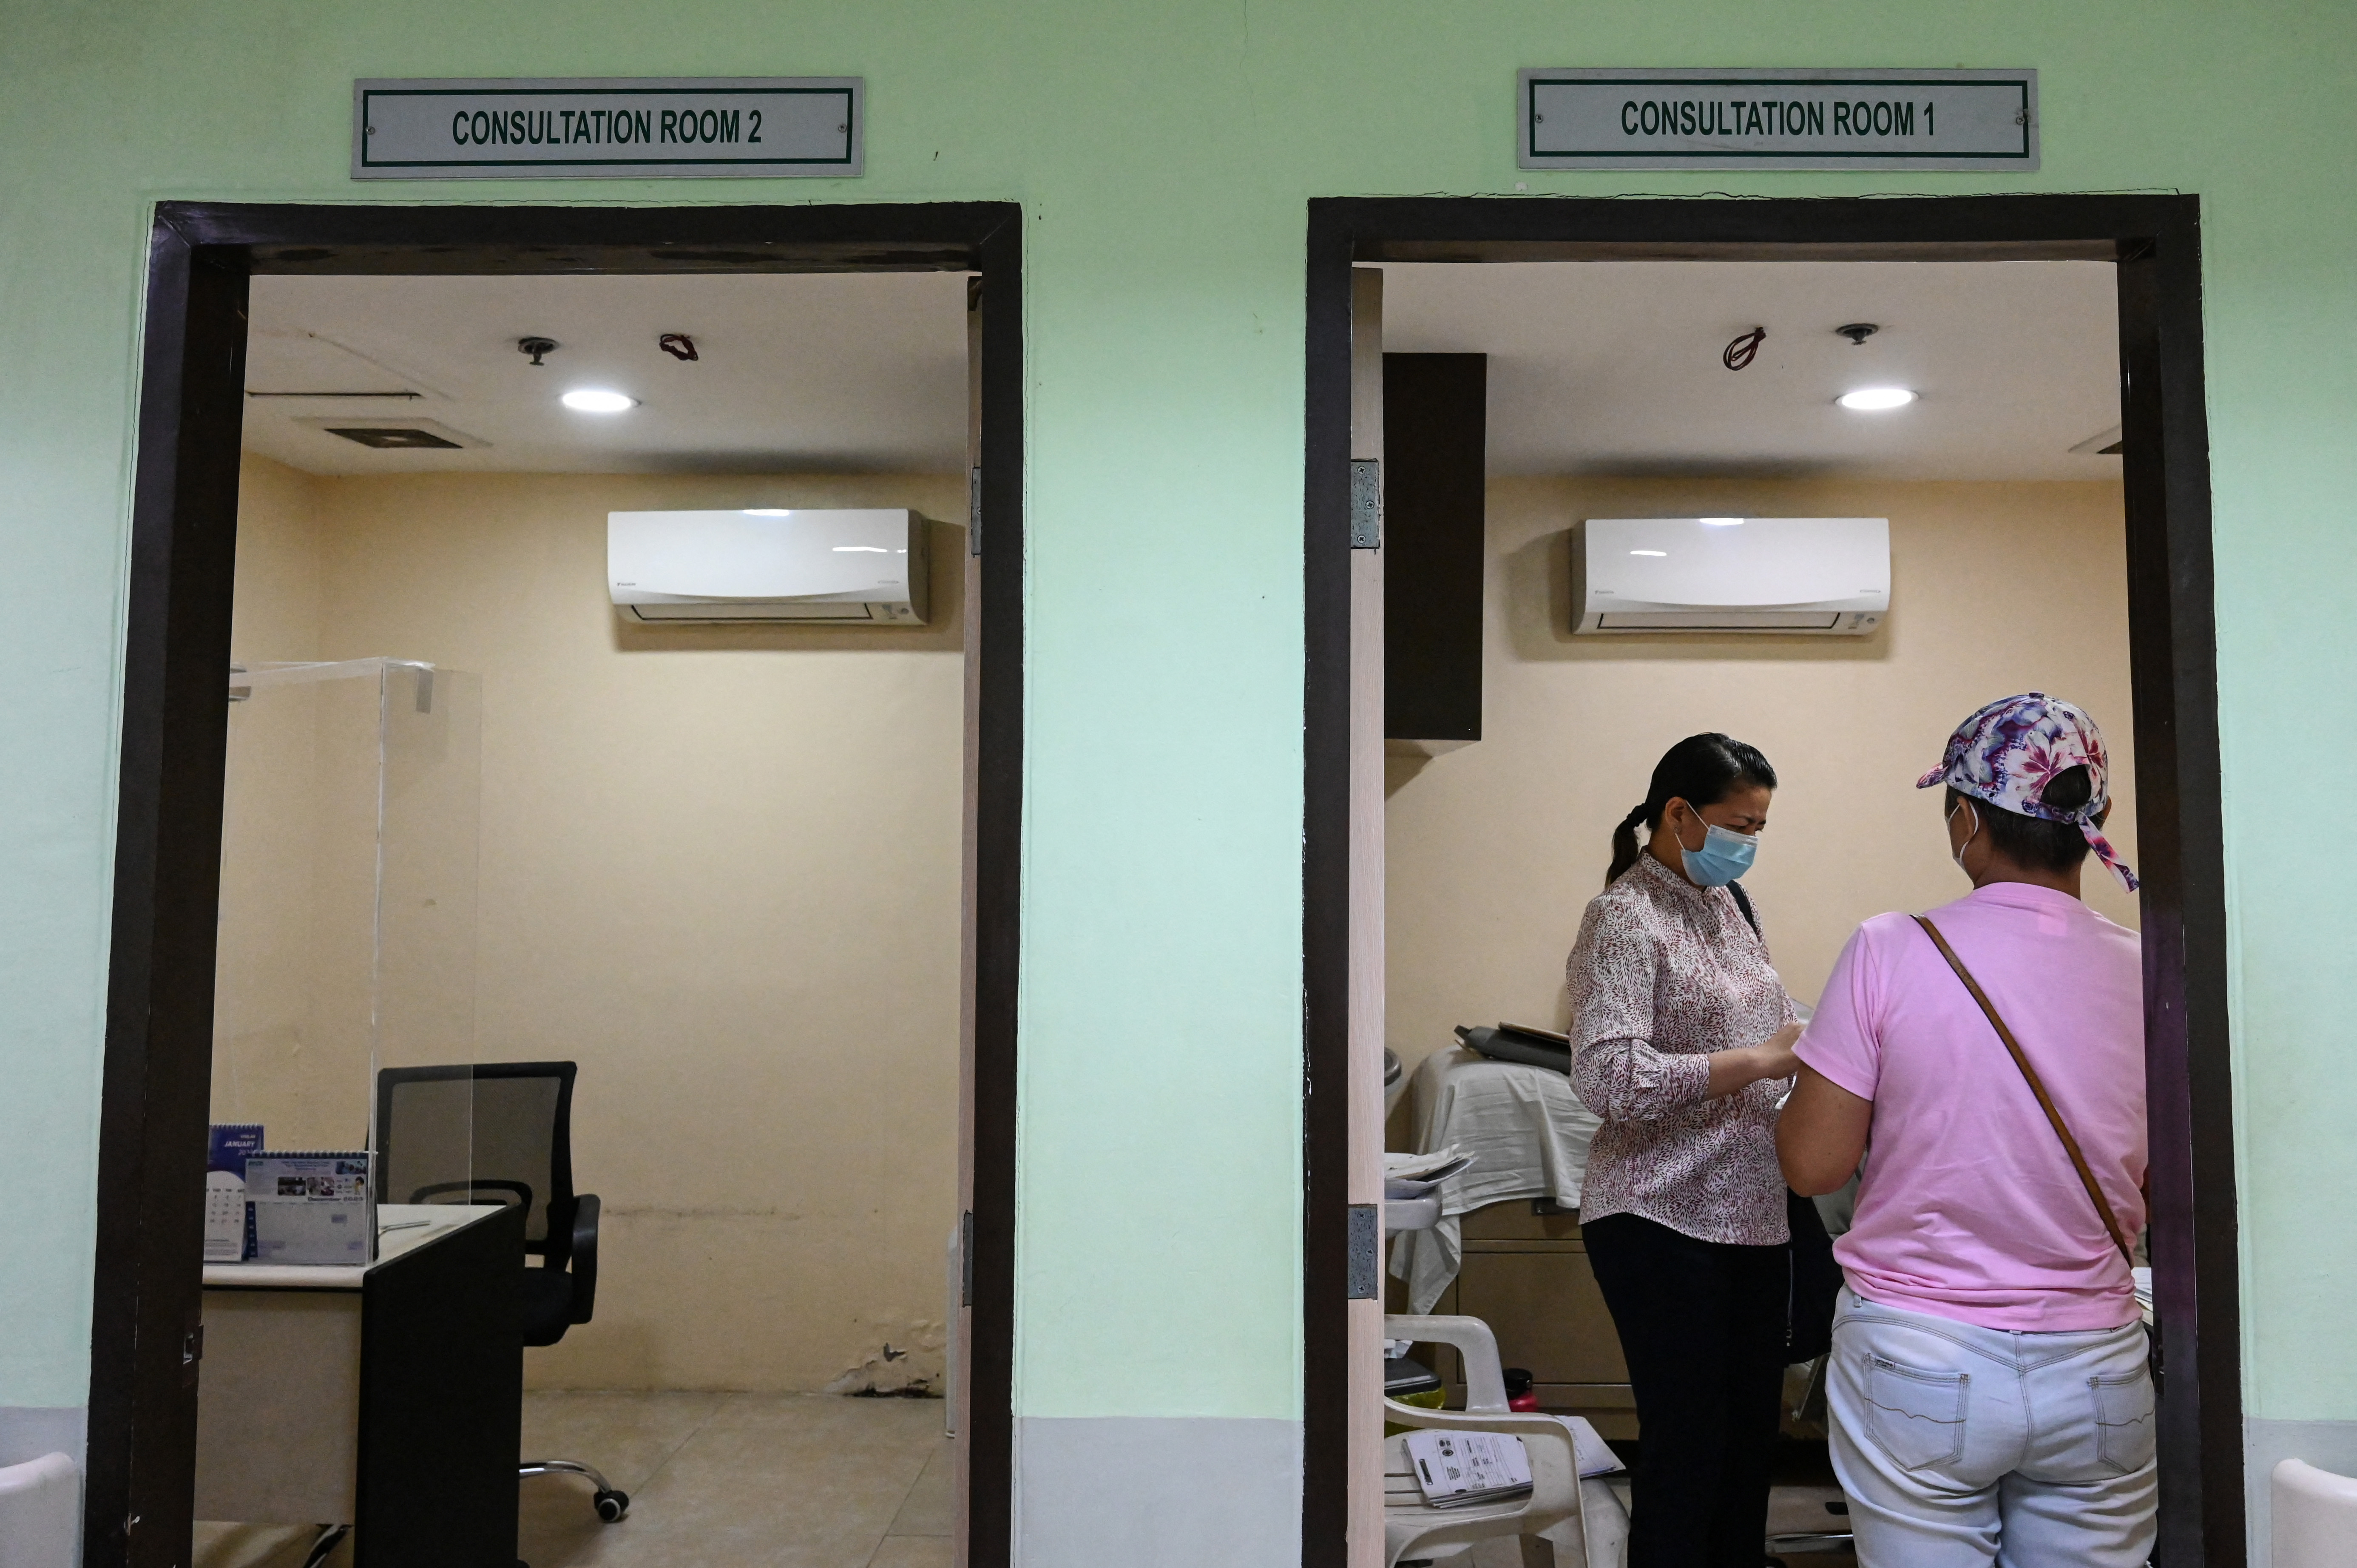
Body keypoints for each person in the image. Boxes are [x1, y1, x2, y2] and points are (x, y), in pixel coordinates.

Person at [1778, 693, 2152, 1567]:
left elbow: (1812, 1163)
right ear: (2093, 820)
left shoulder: (1889, 947)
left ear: (1968, 818)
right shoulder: (2149, 970)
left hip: (1919, 1354)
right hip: (2096, 1360)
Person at [1565, 732, 1803, 1568]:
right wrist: (1758, 1061)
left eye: (1761, 827)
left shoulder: (1733, 903)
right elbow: (1608, 1075)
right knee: (1689, 1439)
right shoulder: (1624, 915)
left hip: (1752, 1213)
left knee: (1749, 1441)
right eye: (1740, 822)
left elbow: (1763, 1020)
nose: (1749, 842)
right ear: (1678, 812)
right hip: (1657, 1211)